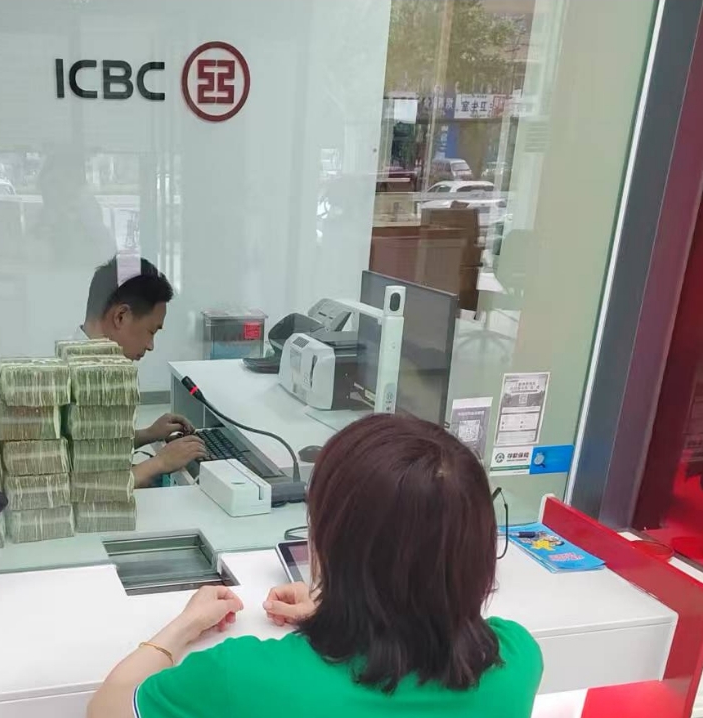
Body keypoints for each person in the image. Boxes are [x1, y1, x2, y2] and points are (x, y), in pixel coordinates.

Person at [88, 413, 543, 718]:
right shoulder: (518, 659)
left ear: (327, 542)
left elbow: (106, 710)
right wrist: (347, 610)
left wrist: (182, 628)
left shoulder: (242, 677)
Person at [78, 256, 206, 488]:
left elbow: (93, 449)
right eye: (151, 331)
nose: (150, 345)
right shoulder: (79, 381)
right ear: (121, 316)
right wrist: (160, 463)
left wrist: (149, 434)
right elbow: (89, 487)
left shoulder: (92, 365)